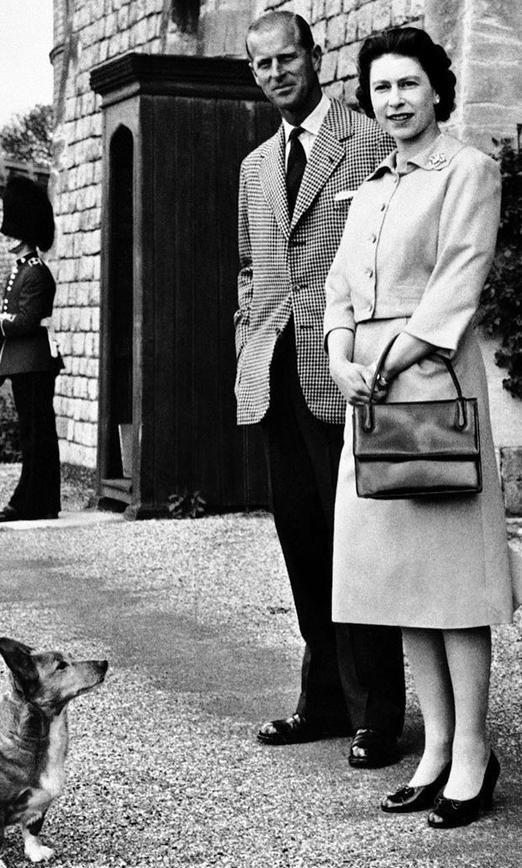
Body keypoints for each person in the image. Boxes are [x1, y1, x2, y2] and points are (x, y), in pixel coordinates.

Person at [324, 26, 515, 827]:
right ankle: (434, 748)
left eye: (408, 84)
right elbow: (337, 284)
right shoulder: (368, 187)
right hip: (368, 395)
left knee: (455, 587)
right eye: (380, 88)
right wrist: (339, 356)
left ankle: (473, 750)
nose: (393, 100)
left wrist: (395, 355)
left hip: (431, 385)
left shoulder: (467, 169)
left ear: (437, 88)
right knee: (404, 583)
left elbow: (458, 279)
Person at [235, 10, 405, 768]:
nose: (277, 74)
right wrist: (247, 335)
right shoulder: (255, 167)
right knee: (302, 542)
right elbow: (251, 271)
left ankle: (378, 713)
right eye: (262, 65)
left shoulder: (369, 140)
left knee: (360, 546)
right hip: (276, 375)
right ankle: (324, 701)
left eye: (287, 59)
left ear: (316, 55)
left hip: (347, 372)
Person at [0, 176, 62, 523]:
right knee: (32, 433)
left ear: (27, 234)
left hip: (34, 361)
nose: (8, 236)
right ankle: (39, 500)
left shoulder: (36, 273)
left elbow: (26, 320)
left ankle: (32, 501)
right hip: (22, 361)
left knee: (36, 434)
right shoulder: (21, 271)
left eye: (15, 231)